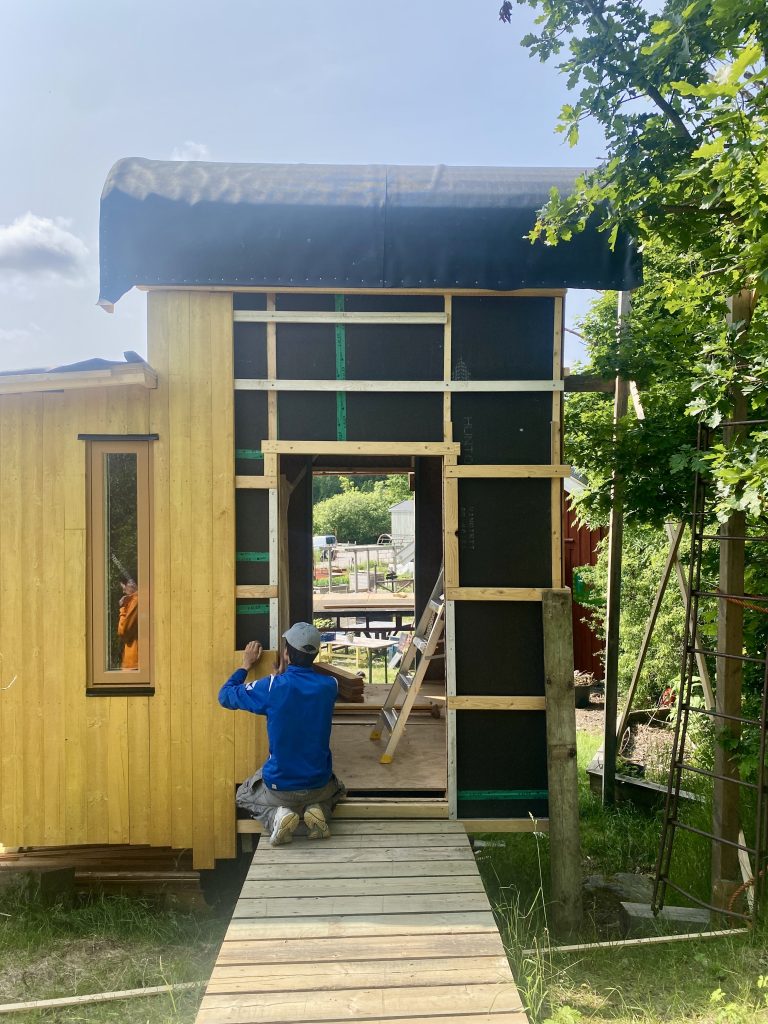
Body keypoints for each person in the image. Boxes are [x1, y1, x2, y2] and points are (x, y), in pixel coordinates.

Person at [218, 623, 346, 846]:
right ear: (315, 655)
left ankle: (276, 816)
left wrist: (245, 665)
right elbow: (302, 693)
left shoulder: (272, 687)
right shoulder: (330, 686)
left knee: (243, 795)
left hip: (280, 788)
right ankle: (317, 810)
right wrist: (278, 683)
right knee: (339, 788)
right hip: (319, 784)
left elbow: (225, 696)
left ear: (286, 653)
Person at [117, 579, 138, 669]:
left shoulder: (135, 601)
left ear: (131, 584)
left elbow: (123, 631)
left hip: (134, 662)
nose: (123, 591)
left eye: (123, 588)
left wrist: (123, 608)